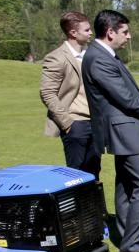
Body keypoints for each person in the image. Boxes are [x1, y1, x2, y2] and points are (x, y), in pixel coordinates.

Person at [81, 9, 139, 252]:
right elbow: (123, 97)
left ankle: (132, 237)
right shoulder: (98, 58)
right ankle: (131, 246)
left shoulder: (104, 55)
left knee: (127, 185)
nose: (129, 36)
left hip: (125, 129)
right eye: (125, 32)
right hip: (124, 130)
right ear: (110, 32)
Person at [40, 11, 100, 178]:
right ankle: (75, 206)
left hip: (94, 122)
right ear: (73, 33)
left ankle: (93, 205)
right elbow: (47, 93)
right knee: (76, 176)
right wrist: (67, 123)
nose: (91, 33)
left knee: (94, 174)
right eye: (87, 30)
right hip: (75, 125)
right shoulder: (56, 58)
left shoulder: (89, 55)